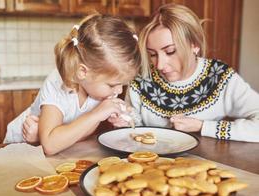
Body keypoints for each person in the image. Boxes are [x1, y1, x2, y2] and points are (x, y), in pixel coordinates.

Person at [111, 4, 259, 142]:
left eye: (170, 51)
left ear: (194, 45)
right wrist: (125, 121)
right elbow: (134, 127)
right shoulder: (141, 77)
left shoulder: (220, 76)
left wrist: (202, 126)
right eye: (152, 54)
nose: (159, 65)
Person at [3, 13, 141, 154]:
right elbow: (50, 145)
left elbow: (78, 134)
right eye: (112, 85)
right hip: (18, 146)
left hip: (53, 147)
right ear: (83, 72)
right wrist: (97, 114)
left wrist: (114, 118)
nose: (118, 91)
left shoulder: (97, 90)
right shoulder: (58, 83)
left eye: (123, 85)